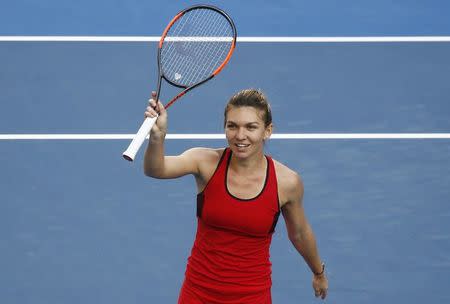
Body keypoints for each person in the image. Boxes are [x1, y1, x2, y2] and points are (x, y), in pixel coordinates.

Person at [143, 89, 328, 303]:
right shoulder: (205, 162)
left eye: (251, 127)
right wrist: (157, 137)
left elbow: (300, 233)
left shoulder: (286, 182)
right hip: (198, 293)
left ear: (267, 131)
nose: (240, 135)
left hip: (252, 296)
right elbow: (156, 169)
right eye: (232, 126)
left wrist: (318, 272)